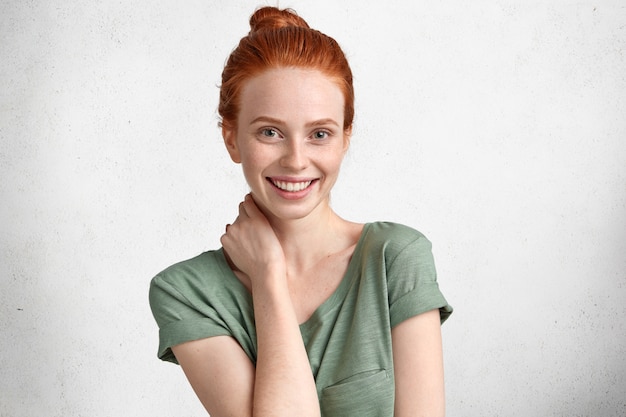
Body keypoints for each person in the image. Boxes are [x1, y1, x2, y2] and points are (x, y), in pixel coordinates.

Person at [149, 6, 452, 417]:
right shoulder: (188, 292)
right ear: (232, 139)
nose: (296, 160)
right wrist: (269, 277)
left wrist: (266, 271)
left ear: (345, 138)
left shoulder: (394, 259)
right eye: (270, 132)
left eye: (319, 134)